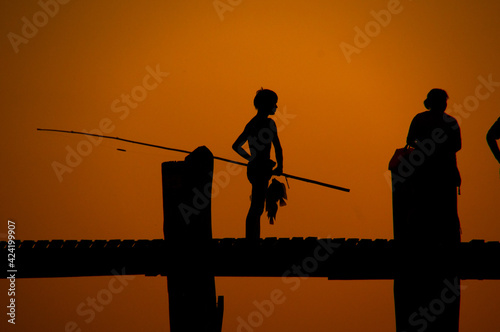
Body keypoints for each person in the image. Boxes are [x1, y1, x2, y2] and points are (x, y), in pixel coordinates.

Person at [394, 89, 462, 332]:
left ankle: (422, 239)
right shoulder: (451, 122)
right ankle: (443, 242)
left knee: (422, 208)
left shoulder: (419, 119)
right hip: (444, 173)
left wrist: (426, 147)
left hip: (424, 172)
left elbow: (410, 141)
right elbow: (457, 147)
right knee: (444, 212)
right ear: (443, 104)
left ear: (427, 103)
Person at [232, 88, 283, 239]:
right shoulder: (269, 123)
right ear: (266, 105)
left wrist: (250, 159)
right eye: (274, 103)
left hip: (254, 169)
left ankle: (254, 237)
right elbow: (278, 148)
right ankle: (251, 239)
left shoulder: (251, 124)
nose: (276, 106)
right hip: (261, 170)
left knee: (258, 205)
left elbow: (236, 146)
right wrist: (280, 167)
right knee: (257, 206)